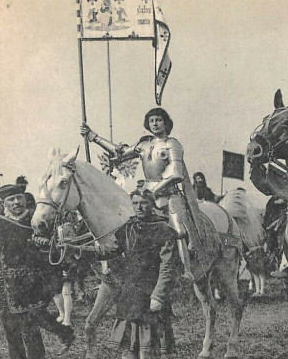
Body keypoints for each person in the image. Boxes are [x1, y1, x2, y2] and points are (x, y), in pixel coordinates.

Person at [81, 108, 215, 282]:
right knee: (126, 224)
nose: (155, 123)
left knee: (179, 230)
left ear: (166, 122)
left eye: (158, 120)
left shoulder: (173, 144)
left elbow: (176, 174)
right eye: (151, 121)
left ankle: (185, 271)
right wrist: (94, 137)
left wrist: (153, 191)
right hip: (146, 196)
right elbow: (120, 152)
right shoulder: (144, 145)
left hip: (170, 195)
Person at [0, 184, 74, 359]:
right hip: (4, 289)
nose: (15, 203)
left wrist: (44, 243)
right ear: (4, 203)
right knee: (12, 336)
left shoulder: (37, 221)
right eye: (10, 200)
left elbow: (55, 249)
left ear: (24, 199)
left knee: (30, 334)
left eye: (18, 198)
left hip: (30, 286)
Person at [101, 190, 178, 359]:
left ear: (152, 204)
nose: (139, 207)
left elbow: (167, 266)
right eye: (135, 203)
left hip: (151, 293)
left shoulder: (163, 229)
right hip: (130, 292)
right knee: (127, 341)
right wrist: (77, 250)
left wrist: (158, 296)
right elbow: (109, 250)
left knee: (150, 339)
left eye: (144, 203)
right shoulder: (127, 229)